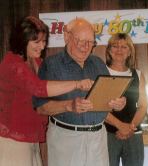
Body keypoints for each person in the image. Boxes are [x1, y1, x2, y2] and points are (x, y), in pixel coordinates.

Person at [0, 16, 93, 166]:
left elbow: (54, 91)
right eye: (36, 42)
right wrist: (77, 84)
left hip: (31, 137)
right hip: (13, 139)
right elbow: (39, 88)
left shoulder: (36, 61)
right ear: (22, 40)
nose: (42, 47)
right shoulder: (12, 63)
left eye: (44, 41)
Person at [33, 18, 126, 166]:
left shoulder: (98, 63)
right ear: (67, 37)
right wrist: (69, 105)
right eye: (80, 41)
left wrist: (118, 103)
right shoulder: (51, 64)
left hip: (98, 139)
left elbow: (107, 101)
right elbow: (40, 107)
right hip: (65, 139)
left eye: (90, 42)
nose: (85, 47)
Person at [104, 33, 148, 166]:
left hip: (133, 134)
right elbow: (96, 106)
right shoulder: (100, 72)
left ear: (130, 52)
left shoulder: (138, 75)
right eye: (115, 46)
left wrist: (129, 128)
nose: (119, 50)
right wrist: (120, 126)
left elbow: (143, 106)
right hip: (108, 134)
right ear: (109, 50)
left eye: (124, 47)